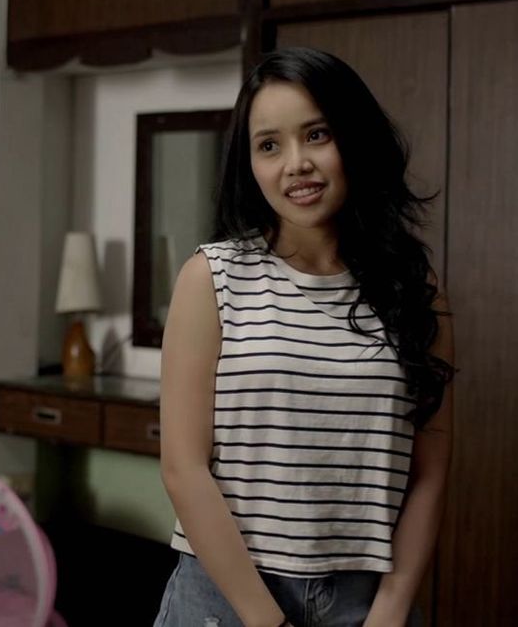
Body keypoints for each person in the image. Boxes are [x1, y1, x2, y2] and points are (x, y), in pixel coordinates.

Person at [155, 48, 454, 627]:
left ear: (354, 139)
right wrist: (266, 620)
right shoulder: (211, 277)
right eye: (269, 145)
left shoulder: (415, 288)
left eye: (317, 135)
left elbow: (429, 472)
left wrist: (391, 609)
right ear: (249, 163)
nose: (296, 164)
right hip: (225, 598)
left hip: (366, 603)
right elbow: (183, 469)